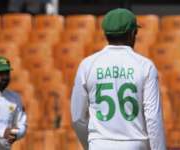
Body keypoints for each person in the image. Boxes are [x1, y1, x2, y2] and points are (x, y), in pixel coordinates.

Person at [71, 8, 166, 150]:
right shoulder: (145, 66)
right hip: (135, 144)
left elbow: (78, 117)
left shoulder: (88, 65)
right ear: (133, 33)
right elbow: (153, 118)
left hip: (99, 144)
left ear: (105, 33)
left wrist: (91, 143)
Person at [0, 56, 27, 149]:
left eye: (7, 73)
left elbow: (22, 124)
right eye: (0, 73)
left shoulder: (15, 97)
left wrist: (17, 134)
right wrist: (2, 133)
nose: (5, 77)